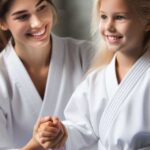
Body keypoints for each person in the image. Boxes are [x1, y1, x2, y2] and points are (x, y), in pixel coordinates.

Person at [34, 0, 150, 149]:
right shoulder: (96, 79)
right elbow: (82, 128)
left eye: (120, 17)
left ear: (147, 22)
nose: (108, 26)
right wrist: (60, 132)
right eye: (103, 17)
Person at [0, 0, 95, 149]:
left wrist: (65, 134)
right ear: (3, 22)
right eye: (23, 16)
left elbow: (107, 129)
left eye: (42, 7)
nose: (37, 23)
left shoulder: (87, 56)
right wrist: (37, 144)